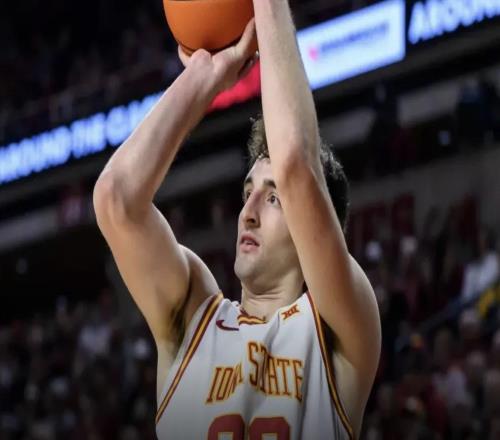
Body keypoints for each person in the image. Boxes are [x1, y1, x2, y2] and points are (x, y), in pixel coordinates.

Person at [93, 1, 381, 438]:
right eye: (248, 193)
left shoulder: (338, 329)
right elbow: (116, 200)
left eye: (273, 199)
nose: (248, 213)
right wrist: (204, 77)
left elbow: (296, 167)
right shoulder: (195, 318)